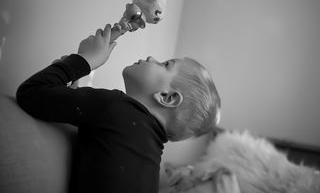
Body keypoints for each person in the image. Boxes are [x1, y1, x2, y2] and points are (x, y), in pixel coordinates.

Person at [16, 23, 221, 193]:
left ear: (167, 97)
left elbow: (31, 93)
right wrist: (74, 84)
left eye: (166, 64)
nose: (151, 58)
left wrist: (84, 60)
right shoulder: (147, 153)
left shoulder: (114, 106)